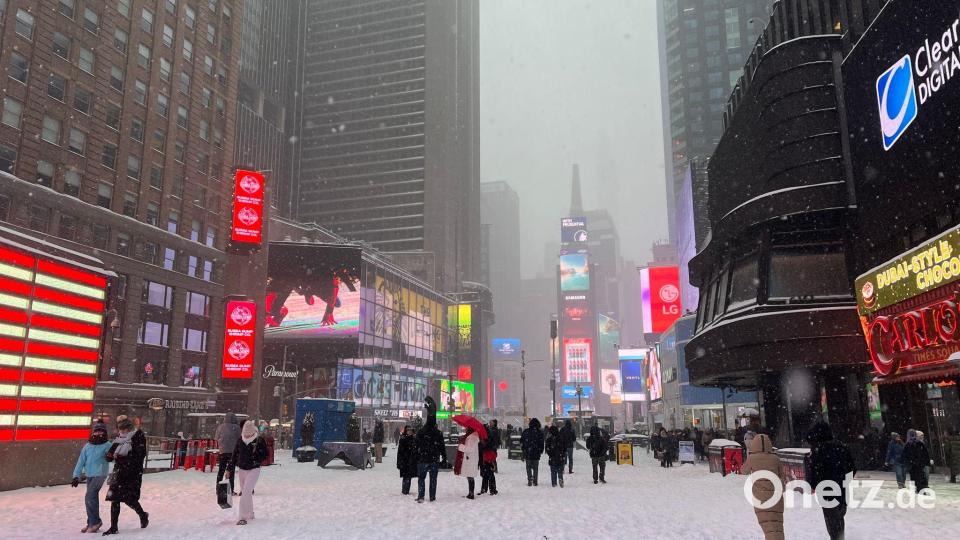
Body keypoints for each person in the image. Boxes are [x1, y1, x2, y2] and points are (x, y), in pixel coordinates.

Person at [804, 421, 855, 540]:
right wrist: (844, 480)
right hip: (842, 489)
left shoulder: (818, 450)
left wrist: (814, 485)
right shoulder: (842, 447)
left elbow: (814, 472)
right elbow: (852, 468)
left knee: (832, 521)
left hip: (826, 490)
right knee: (839, 518)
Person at [102, 416, 149, 536]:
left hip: (132, 474)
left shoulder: (137, 437)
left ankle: (143, 514)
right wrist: (109, 456)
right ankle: (113, 527)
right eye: (120, 430)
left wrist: (123, 459)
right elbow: (110, 455)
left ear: (130, 428)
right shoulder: (119, 439)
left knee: (130, 499)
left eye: (124, 430)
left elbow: (139, 456)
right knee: (115, 499)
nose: (122, 432)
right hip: (119, 473)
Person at [741, 434, 784, 540]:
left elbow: (743, 470)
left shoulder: (752, 459)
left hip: (760, 496)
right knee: (777, 525)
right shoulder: (776, 459)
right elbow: (782, 475)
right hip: (776, 496)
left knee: (767, 525)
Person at [72, 421, 112, 533]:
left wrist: (110, 457)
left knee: (90, 496)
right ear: (93, 432)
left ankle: (95, 522)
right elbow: (81, 462)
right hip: (90, 475)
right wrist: (76, 476)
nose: (98, 433)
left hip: (100, 474)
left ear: (104, 432)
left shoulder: (107, 445)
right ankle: (91, 522)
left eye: (101, 431)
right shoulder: (88, 446)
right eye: (97, 430)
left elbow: (111, 456)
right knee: (90, 498)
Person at [227, 420, 268, 525]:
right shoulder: (240, 440)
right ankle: (250, 514)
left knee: (245, 492)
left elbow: (265, 454)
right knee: (247, 493)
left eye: (248, 434)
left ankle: (242, 517)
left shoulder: (259, 440)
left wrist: (256, 459)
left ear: (252, 432)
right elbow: (235, 455)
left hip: (254, 469)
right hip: (242, 469)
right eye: (245, 433)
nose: (246, 435)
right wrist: (229, 469)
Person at [416, 397, 447, 502]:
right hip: (433, 458)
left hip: (423, 458)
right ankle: (432, 497)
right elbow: (442, 446)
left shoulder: (421, 431)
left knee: (421, 478)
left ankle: (421, 496)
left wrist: (416, 455)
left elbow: (416, 445)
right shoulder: (438, 433)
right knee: (433, 479)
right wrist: (444, 457)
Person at [215, 412, 241, 495]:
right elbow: (239, 438)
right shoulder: (237, 427)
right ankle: (231, 490)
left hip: (222, 451)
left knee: (221, 470)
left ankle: (218, 489)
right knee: (231, 471)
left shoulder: (220, 427)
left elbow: (216, 437)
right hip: (232, 452)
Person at [455, 426, 481, 499]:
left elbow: (470, 449)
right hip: (470, 459)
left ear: (470, 429)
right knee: (469, 476)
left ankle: (471, 494)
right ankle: (470, 493)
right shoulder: (471, 436)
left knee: (470, 476)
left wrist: (460, 446)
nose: (465, 429)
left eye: (466, 428)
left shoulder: (472, 437)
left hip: (470, 459)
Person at [520, 418, 545, 486]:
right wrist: (540, 450)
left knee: (528, 467)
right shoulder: (539, 433)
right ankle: (535, 480)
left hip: (528, 452)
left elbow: (522, 441)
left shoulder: (526, 431)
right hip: (536, 452)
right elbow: (541, 443)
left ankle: (530, 479)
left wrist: (524, 449)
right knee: (535, 468)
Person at [396, 425, 418, 495]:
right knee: (406, 476)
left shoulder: (413, 439)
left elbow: (416, 450)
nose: (409, 431)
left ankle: (405, 490)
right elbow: (399, 452)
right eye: (408, 430)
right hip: (404, 461)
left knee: (408, 476)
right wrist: (399, 462)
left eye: (410, 430)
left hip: (411, 461)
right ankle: (405, 490)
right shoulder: (403, 439)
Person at [480, 419, 500, 495]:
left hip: (488, 455)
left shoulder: (489, 434)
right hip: (487, 455)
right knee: (486, 473)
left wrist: (483, 443)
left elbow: (490, 444)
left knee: (489, 472)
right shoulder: (487, 434)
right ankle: (485, 489)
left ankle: (492, 489)